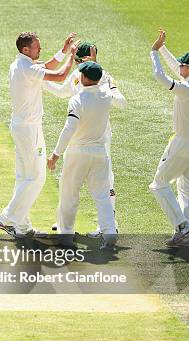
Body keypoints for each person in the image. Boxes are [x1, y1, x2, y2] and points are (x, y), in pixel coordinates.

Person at [0, 31, 79, 238]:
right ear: (26, 49)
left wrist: (65, 48)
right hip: (29, 129)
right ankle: (6, 218)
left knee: (24, 177)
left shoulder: (21, 64)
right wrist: (71, 56)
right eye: (36, 47)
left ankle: (21, 225)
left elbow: (48, 64)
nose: (40, 50)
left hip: (22, 127)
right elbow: (59, 75)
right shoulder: (26, 68)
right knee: (36, 177)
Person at [47, 62, 126, 248]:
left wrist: (55, 155)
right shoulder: (106, 95)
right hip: (100, 153)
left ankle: (65, 235)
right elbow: (119, 98)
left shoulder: (77, 99)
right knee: (103, 196)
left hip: (77, 153)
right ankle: (109, 233)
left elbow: (69, 128)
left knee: (69, 194)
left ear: (83, 78)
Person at [149, 29, 189, 247]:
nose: (180, 66)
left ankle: (183, 226)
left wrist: (154, 52)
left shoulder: (187, 88)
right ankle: (187, 238)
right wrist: (163, 47)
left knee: (159, 184)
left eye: (184, 65)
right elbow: (176, 69)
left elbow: (160, 76)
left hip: (182, 144)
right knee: (186, 189)